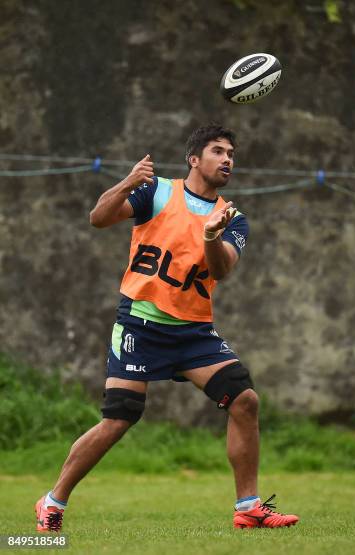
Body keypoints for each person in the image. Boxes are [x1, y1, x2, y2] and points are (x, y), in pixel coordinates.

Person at [35, 123, 298, 532]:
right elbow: (98, 218)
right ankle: (52, 501)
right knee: (119, 417)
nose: (228, 158)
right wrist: (126, 183)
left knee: (244, 400)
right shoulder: (157, 191)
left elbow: (222, 269)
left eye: (231, 153)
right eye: (217, 151)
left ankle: (248, 507)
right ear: (194, 159)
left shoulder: (232, 217)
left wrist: (211, 235)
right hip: (142, 324)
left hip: (193, 332)